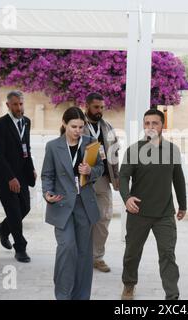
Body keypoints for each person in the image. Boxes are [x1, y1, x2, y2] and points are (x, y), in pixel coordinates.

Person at [119, 108, 187, 300]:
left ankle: (172, 295)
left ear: (162, 126)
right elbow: (123, 177)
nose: (150, 127)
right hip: (138, 211)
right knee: (132, 253)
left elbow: (178, 179)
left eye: (154, 123)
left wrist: (182, 205)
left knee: (167, 254)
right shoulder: (134, 150)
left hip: (164, 213)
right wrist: (127, 198)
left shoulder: (172, 150)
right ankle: (129, 285)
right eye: (147, 123)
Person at [41, 106, 104, 300]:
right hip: (61, 205)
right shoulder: (53, 146)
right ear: (64, 124)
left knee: (84, 254)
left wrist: (90, 171)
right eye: (74, 126)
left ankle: (81, 297)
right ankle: (62, 295)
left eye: (81, 127)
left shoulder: (91, 143)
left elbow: (100, 168)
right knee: (67, 247)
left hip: (84, 205)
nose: (78, 131)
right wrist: (47, 193)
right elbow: (47, 175)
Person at [0, 90, 36, 263]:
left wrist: (31, 169)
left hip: (22, 174)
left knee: (25, 207)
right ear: (8, 105)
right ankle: (20, 248)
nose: (19, 107)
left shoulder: (26, 122)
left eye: (21, 104)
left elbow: (27, 148)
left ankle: (3, 228)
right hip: (4, 176)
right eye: (15, 104)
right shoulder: (0, 124)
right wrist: (10, 178)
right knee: (14, 212)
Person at [83, 92, 120, 273]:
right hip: (83, 181)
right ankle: (81, 256)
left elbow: (114, 154)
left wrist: (117, 177)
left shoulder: (108, 127)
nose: (99, 111)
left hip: (104, 180)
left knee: (104, 218)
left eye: (102, 107)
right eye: (96, 107)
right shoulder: (78, 125)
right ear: (87, 106)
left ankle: (97, 258)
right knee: (83, 219)